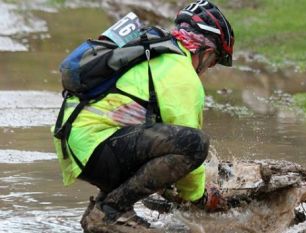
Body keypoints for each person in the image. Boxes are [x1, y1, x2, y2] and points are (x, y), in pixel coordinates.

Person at [51, 0, 234, 231]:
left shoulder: (157, 50)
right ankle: (112, 211)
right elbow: (188, 147)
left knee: (168, 142)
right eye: (213, 62)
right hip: (95, 144)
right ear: (207, 53)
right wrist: (201, 198)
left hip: (78, 143)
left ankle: (102, 207)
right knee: (196, 143)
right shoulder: (181, 72)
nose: (208, 70)